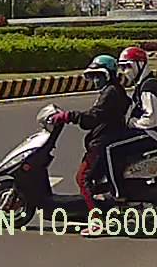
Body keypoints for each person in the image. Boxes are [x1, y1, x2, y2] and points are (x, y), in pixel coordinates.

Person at [47, 54, 130, 224]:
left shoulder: (111, 93)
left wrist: (69, 116)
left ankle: (96, 220)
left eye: (99, 76)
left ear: (109, 75)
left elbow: (93, 117)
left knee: (82, 178)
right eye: (93, 76)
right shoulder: (113, 90)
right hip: (106, 139)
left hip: (103, 142)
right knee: (93, 181)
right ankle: (99, 209)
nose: (96, 80)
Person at [105, 46, 157, 199]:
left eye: (128, 66)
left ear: (140, 65)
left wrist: (133, 123)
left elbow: (152, 119)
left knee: (110, 150)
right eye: (122, 67)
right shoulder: (144, 84)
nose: (125, 71)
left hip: (154, 135)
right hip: (154, 133)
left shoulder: (148, 88)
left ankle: (118, 193)